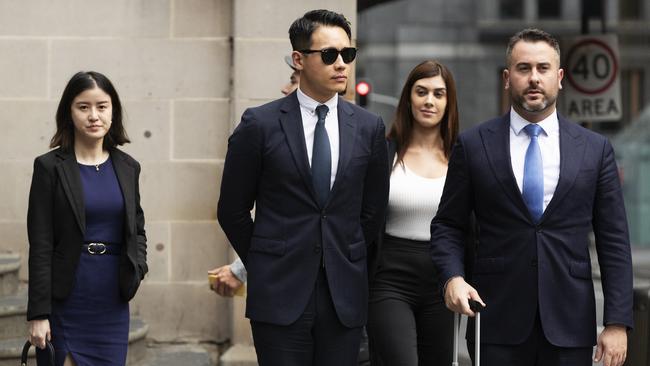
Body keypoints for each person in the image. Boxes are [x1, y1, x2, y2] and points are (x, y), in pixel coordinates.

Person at [430, 28, 633, 366]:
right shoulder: (474, 145)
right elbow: (448, 226)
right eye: (524, 69)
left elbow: (614, 241)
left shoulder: (595, 150)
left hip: (570, 324)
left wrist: (617, 322)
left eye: (543, 68)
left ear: (560, 77)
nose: (534, 78)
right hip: (495, 320)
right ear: (508, 78)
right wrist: (453, 277)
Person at [217, 9, 389, 366]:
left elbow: (373, 211)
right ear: (298, 59)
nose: (341, 64)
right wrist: (266, 262)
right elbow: (232, 209)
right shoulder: (259, 124)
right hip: (279, 293)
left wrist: (347, 255)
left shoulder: (369, 127)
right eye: (329, 55)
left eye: (348, 54)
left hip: (344, 293)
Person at [26, 71, 148, 366]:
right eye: (83, 107)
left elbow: (138, 229)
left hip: (111, 300)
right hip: (67, 299)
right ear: (69, 112)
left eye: (102, 106)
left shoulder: (128, 167)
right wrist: (38, 314)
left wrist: (138, 267)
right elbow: (40, 244)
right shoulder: (49, 167)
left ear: (112, 111)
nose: (94, 115)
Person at [367, 60, 458, 365]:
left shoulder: (462, 158)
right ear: (408, 98)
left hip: (441, 281)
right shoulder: (384, 152)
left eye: (438, 93)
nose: (429, 101)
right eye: (421, 92)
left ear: (448, 102)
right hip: (389, 278)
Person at [209, 55, 301, 297]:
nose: (285, 88)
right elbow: (234, 211)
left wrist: (241, 270)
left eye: (293, 80)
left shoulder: (359, 132)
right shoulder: (263, 126)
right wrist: (255, 266)